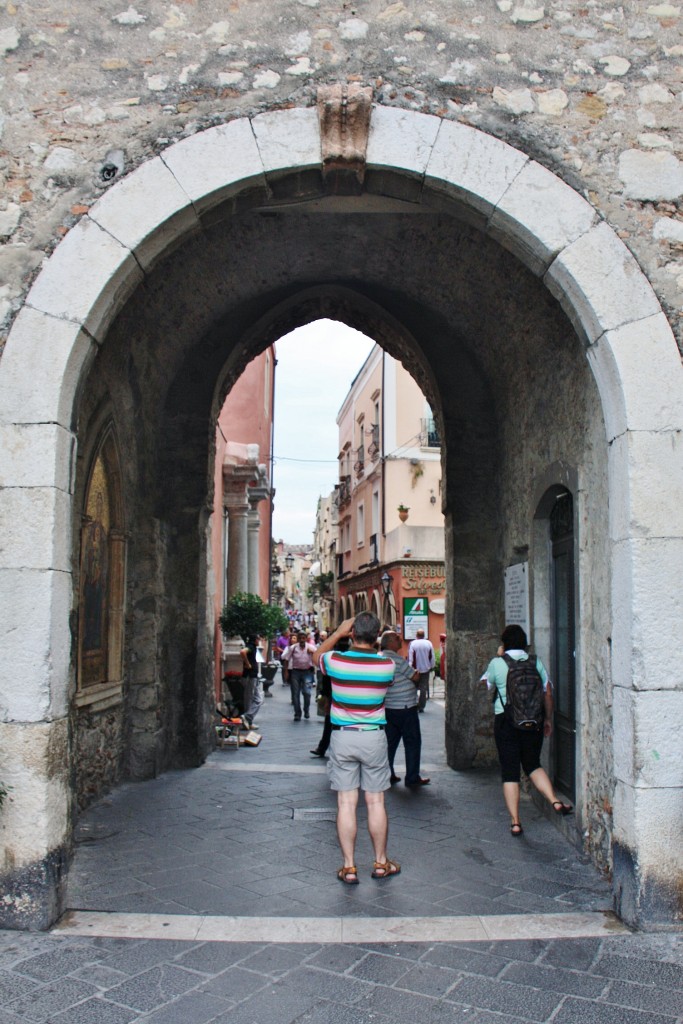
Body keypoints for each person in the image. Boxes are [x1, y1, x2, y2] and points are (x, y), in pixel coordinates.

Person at [314, 612, 399, 884]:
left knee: (346, 803)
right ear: (376, 637)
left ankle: (349, 867)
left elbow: (318, 655)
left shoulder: (335, 661)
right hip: (373, 737)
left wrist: (338, 633)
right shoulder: (386, 665)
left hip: (343, 737)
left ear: (353, 633)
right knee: (375, 802)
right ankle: (381, 863)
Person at [481, 624, 573, 836]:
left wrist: (498, 656)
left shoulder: (498, 663)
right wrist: (548, 719)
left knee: (510, 771)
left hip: (506, 721)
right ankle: (555, 800)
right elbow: (547, 692)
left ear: (504, 643)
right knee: (533, 764)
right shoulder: (536, 661)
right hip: (534, 721)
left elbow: (486, 684)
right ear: (524, 642)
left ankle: (515, 822)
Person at [380, 631, 430, 787]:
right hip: (405, 707)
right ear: (389, 642)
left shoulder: (380, 658)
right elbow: (415, 677)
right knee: (412, 742)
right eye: (396, 638)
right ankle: (412, 777)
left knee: (390, 743)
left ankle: (387, 774)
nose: (400, 640)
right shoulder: (396, 659)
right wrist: (416, 673)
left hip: (389, 707)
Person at [282, 630, 316, 721]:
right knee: (295, 694)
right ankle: (297, 713)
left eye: (303, 638)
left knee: (307, 693)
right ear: (297, 638)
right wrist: (286, 672)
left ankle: (306, 710)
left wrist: (312, 653)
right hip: (295, 672)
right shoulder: (293, 648)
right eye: (300, 638)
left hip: (307, 672)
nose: (301, 639)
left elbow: (317, 658)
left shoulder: (311, 647)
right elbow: (286, 659)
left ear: (306, 639)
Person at [407, 628, 434, 711]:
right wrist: (432, 666)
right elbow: (431, 656)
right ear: (424, 635)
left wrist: (409, 667)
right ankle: (421, 706)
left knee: (413, 687)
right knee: (423, 688)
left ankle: (413, 704)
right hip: (425, 669)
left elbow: (411, 657)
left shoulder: (413, 644)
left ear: (416, 635)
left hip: (415, 670)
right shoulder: (429, 643)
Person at [240, 635, 263, 730]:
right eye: (258, 639)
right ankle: (247, 720)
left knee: (258, 699)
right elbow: (242, 652)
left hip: (253, 676)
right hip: (250, 676)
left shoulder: (252, 647)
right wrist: (248, 664)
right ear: (255, 640)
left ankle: (247, 718)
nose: (259, 641)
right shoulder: (251, 646)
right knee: (249, 699)